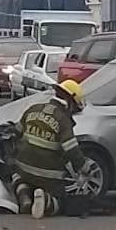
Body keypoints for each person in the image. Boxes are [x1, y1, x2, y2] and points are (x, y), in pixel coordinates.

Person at [12, 79, 89, 219]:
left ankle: (24, 196)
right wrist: (84, 167)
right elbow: (71, 149)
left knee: (16, 175)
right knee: (62, 201)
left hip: (23, 168)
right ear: (71, 102)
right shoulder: (63, 119)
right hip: (49, 175)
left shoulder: (34, 108)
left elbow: (16, 133)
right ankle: (47, 202)